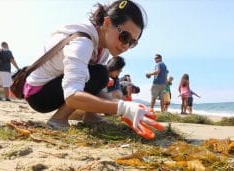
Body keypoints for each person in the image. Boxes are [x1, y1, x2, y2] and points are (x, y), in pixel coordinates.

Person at [24, 0, 163, 139]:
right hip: (38, 94)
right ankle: (58, 120)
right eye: (124, 36)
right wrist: (122, 108)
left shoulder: (104, 46)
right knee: (100, 74)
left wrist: (125, 107)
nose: (126, 45)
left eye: (133, 42)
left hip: (54, 86)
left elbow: (93, 86)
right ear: (107, 23)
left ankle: (90, 115)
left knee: (100, 75)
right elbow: (72, 96)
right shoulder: (82, 43)